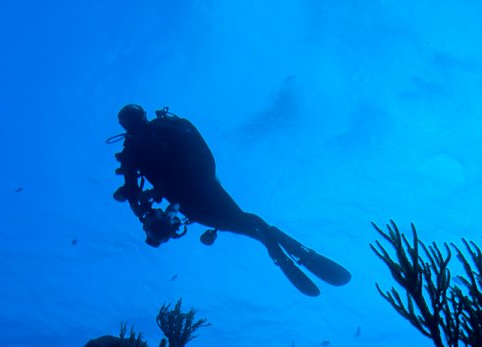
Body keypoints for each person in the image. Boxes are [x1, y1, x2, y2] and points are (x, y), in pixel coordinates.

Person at [110, 105, 352, 297]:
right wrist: (147, 216)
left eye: (137, 122)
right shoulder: (131, 151)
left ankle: (283, 250)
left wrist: (156, 195)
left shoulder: (167, 127)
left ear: (142, 118)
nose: (137, 128)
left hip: (203, 189)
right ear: (127, 126)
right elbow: (132, 191)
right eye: (132, 125)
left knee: (243, 222)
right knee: (243, 224)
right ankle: (282, 246)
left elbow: (202, 158)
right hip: (186, 202)